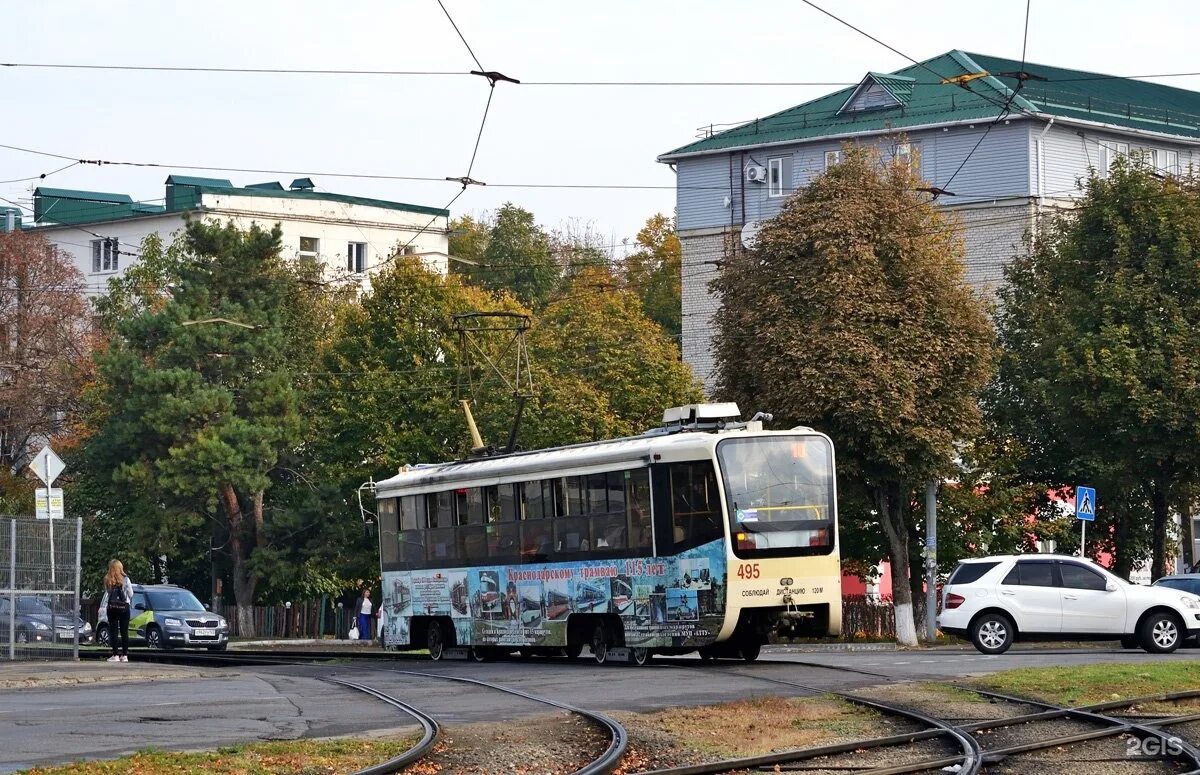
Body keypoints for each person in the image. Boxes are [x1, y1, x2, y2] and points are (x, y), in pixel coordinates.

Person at [104, 559, 133, 663]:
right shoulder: (126, 579)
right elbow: (131, 594)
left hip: (112, 608)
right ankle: (124, 655)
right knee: (124, 632)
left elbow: (108, 592)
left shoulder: (108, 579)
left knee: (113, 631)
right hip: (124, 608)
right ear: (120, 568)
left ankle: (115, 655)